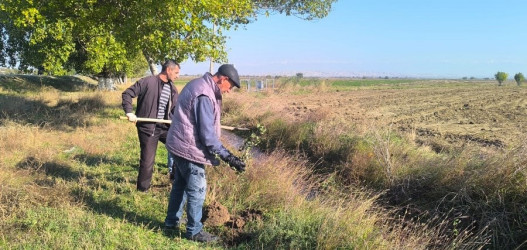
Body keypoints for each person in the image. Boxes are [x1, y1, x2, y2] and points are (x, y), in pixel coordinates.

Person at [164, 64, 246, 243]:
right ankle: (194, 231)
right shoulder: (204, 94)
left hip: (179, 143)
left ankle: (171, 222)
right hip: (188, 148)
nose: (229, 91)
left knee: (180, 185)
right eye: (230, 87)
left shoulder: (199, 84)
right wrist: (228, 157)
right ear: (223, 79)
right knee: (197, 190)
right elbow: (207, 136)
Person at [122, 59, 180, 192]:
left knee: (179, 147)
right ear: (168, 70)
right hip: (148, 127)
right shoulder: (148, 82)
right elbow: (127, 94)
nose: (178, 76)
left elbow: (175, 109)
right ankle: (143, 189)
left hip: (164, 127)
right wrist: (129, 112)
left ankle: (175, 179)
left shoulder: (173, 89)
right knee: (148, 160)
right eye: (176, 72)